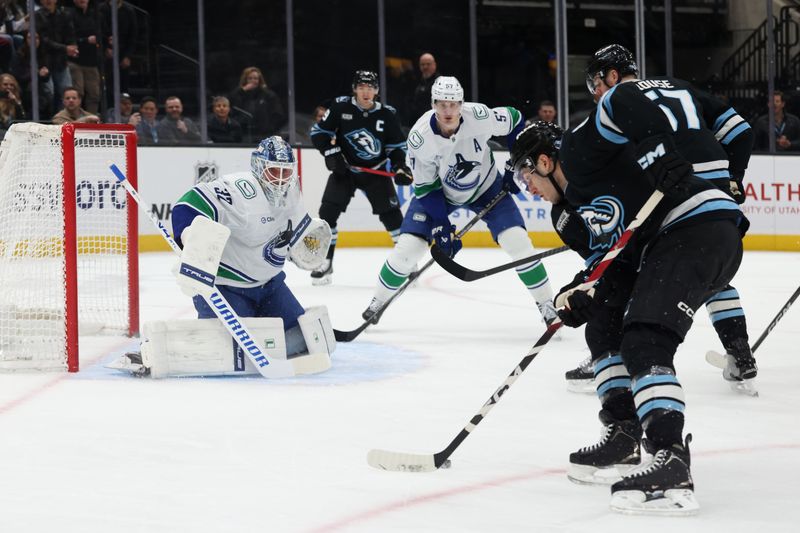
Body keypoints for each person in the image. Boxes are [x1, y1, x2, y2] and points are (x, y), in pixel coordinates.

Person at [507, 45, 751, 515]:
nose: (530, 190)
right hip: (681, 237)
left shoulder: (581, 153)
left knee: (644, 341)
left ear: (541, 161)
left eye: (526, 178)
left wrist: (661, 151)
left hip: (695, 229)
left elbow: (623, 101)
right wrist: (579, 292)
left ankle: (671, 459)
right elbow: (610, 263)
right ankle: (623, 432)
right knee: (605, 324)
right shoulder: (573, 206)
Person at [111, 136, 334, 378]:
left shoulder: (291, 190)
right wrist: (190, 237)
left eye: (285, 172)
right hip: (226, 290)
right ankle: (151, 352)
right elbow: (187, 205)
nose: (280, 179)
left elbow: (293, 232)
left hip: (271, 287)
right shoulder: (241, 191)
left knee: (303, 341)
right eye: (273, 172)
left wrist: (299, 247)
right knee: (233, 356)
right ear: (259, 168)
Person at [360, 75, 556, 325]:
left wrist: (512, 165)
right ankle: (379, 301)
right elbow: (426, 187)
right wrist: (441, 223)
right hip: (440, 194)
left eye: (454, 104)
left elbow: (515, 119)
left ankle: (546, 303)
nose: (448, 110)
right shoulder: (420, 139)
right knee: (408, 249)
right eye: (442, 104)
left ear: (462, 104)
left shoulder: (480, 116)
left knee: (517, 242)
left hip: (486, 186)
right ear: (433, 104)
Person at [308, 70, 412, 286]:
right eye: (362, 87)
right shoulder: (339, 106)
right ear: (354, 88)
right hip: (345, 171)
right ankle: (325, 262)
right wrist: (331, 153)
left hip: (376, 171)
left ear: (376, 91)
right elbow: (319, 133)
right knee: (327, 213)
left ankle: (406, 262)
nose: (366, 92)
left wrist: (400, 165)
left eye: (371, 87)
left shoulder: (388, 113)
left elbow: (396, 147)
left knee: (392, 218)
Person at [35, 0, 76, 112]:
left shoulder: (64, 15)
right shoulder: (37, 16)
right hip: (44, 61)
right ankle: (49, 120)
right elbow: (43, 40)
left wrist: (73, 47)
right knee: (49, 92)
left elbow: (70, 34)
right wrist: (65, 48)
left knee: (66, 92)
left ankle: (62, 120)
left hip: (61, 61)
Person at [228, 66, 286, 142]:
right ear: (245, 80)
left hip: (264, 135)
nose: (253, 81)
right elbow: (230, 106)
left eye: (255, 78)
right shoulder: (238, 94)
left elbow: (278, 114)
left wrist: (270, 129)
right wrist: (242, 91)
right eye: (250, 78)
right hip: (243, 135)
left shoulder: (268, 95)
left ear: (259, 80)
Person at [68, 0, 102, 114]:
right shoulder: (70, 14)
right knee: (77, 93)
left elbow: (102, 32)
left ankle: (91, 121)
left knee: (94, 94)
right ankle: (76, 120)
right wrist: (85, 40)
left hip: (92, 61)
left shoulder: (95, 14)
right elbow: (69, 37)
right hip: (75, 60)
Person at [11, 30, 54, 118]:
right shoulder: (19, 54)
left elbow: (45, 78)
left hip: (39, 86)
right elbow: (18, 75)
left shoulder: (43, 54)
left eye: (37, 38)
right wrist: (37, 74)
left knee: (48, 93)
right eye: (30, 38)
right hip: (22, 87)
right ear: (26, 40)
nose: (34, 40)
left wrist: (45, 73)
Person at [406, 52, 439, 127]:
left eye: (428, 64)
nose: (425, 67)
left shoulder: (440, 82)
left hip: (434, 123)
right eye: (422, 64)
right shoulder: (416, 82)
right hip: (419, 123)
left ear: (434, 65)